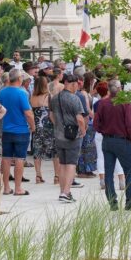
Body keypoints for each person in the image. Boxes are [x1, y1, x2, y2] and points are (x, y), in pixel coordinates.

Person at [96, 79, 131, 211]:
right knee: (129, 172)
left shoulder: (103, 103)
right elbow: (130, 124)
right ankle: (130, 202)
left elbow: (96, 124)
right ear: (120, 89)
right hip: (122, 140)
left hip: (107, 140)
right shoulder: (124, 103)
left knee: (109, 173)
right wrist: (130, 139)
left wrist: (104, 131)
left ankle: (112, 202)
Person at [50, 73, 87, 203]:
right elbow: (80, 119)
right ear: (74, 83)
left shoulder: (54, 98)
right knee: (71, 164)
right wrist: (83, 131)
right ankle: (66, 192)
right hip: (72, 136)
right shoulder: (74, 99)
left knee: (62, 164)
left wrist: (58, 125)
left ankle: (62, 192)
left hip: (58, 135)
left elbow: (51, 115)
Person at [0, 69, 34, 195]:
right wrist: (33, 126)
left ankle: (6, 187)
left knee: (6, 158)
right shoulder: (21, 93)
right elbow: (28, 113)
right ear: (19, 79)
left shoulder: (2, 92)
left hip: (6, 129)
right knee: (20, 158)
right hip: (21, 129)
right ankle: (18, 188)